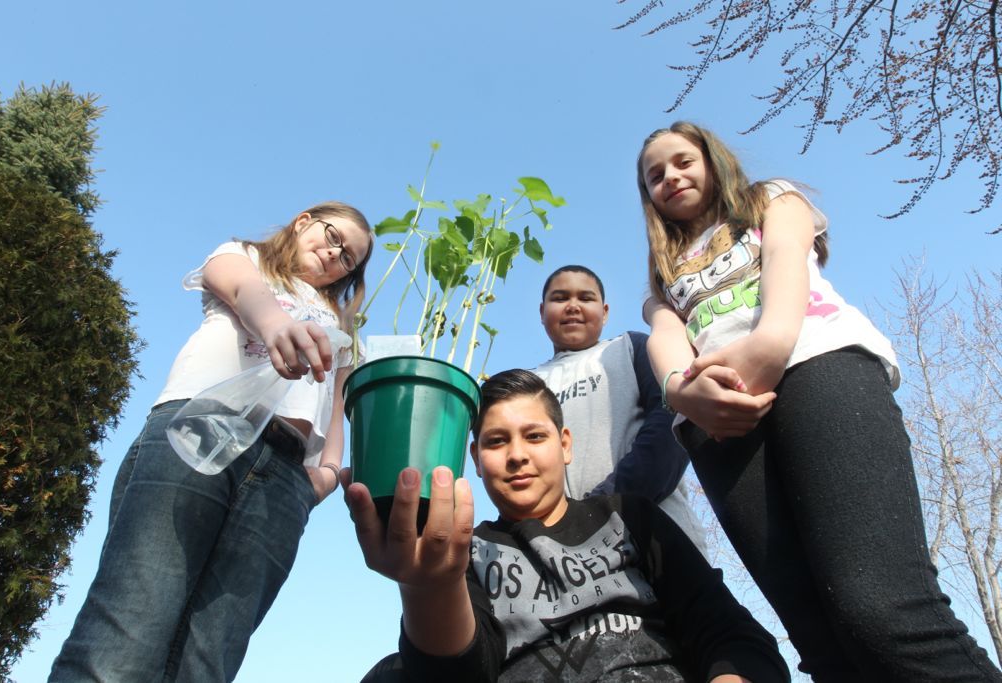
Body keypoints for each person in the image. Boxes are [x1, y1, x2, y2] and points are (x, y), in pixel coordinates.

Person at [637, 120, 1002, 682]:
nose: (670, 177)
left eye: (683, 161)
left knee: (883, 612)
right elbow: (665, 338)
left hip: (816, 365)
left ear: (713, 159)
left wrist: (768, 346)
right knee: (819, 639)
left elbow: (786, 262)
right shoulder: (665, 276)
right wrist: (682, 392)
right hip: (721, 425)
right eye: (655, 175)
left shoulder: (772, 200)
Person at [50, 202, 374, 682]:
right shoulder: (245, 256)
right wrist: (275, 325)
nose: (334, 254)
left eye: (348, 258)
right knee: (127, 634)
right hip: (200, 430)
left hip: (285, 475)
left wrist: (325, 474)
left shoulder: (342, 325)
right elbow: (241, 288)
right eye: (332, 237)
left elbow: (337, 402)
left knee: (210, 657)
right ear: (304, 220)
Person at [346, 369, 791, 682]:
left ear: (565, 446)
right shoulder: (468, 551)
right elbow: (456, 672)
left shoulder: (629, 516)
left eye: (534, 436)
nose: (517, 455)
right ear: (476, 462)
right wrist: (430, 587)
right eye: (496, 441)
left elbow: (729, 633)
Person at [532, 265, 708, 555]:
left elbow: (670, 424)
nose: (573, 306)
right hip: (568, 553)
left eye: (586, 298)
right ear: (542, 312)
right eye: (560, 298)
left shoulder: (633, 347)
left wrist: (602, 504)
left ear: (605, 312)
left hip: (656, 535)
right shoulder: (528, 385)